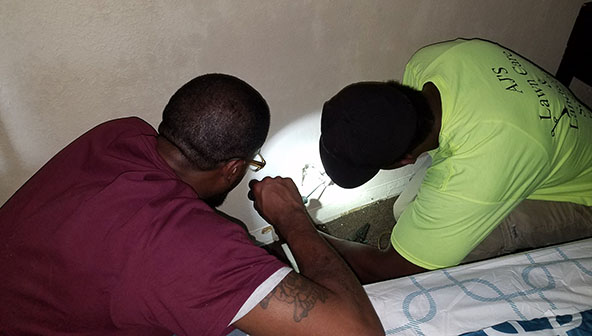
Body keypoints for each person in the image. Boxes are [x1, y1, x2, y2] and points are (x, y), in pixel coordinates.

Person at [0, 74, 384, 335]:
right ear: (234, 169)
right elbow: (358, 331)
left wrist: (226, 239)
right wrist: (292, 217)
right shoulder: (191, 254)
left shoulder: (119, 133)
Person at [318, 38, 592, 284]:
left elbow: (391, 269)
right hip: (544, 148)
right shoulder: (427, 64)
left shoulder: (483, 166)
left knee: (443, 254)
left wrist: (304, 232)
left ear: (405, 160)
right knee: (404, 211)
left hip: (587, 198)